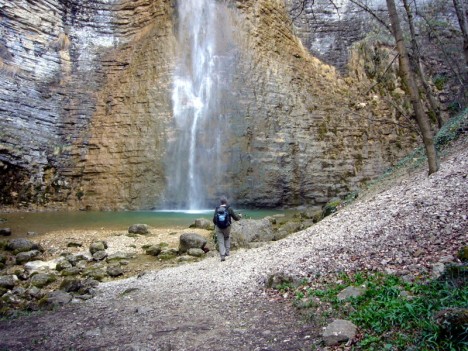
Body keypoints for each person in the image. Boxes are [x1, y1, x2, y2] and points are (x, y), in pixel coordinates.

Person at [213, 196, 242, 261]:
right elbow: (235, 218)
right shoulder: (229, 208)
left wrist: (216, 225)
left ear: (220, 202)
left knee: (220, 241)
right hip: (227, 227)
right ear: (226, 202)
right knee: (226, 238)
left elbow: (214, 220)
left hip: (218, 227)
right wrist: (239, 216)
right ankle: (227, 252)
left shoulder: (217, 208)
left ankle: (222, 255)